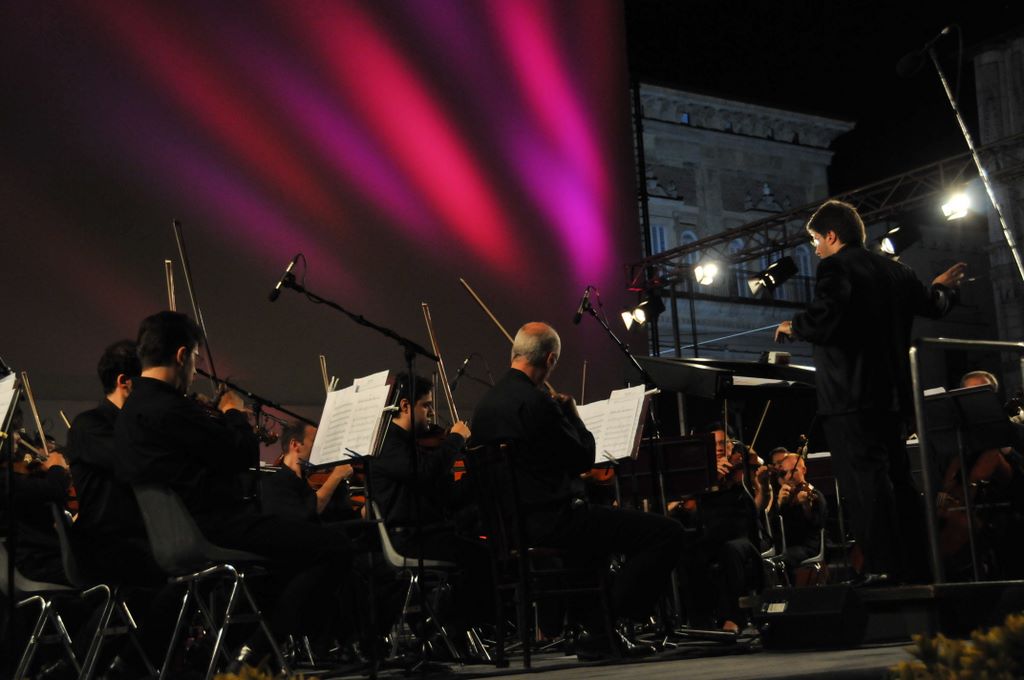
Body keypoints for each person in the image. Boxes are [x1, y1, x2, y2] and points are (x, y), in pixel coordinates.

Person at [114, 311, 352, 667]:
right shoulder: (171, 408)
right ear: (182, 355)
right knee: (336, 546)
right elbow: (241, 454)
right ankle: (255, 653)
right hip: (214, 527)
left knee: (282, 565)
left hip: (172, 535)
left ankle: (238, 654)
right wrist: (232, 412)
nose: (195, 371)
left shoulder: (129, 413)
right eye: (195, 359)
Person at [774, 199, 966, 583]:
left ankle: (882, 571)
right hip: (893, 399)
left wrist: (794, 326)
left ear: (832, 235)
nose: (816, 249)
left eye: (816, 240)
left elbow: (828, 316)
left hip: (850, 399)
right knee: (899, 483)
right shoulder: (898, 271)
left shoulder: (836, 267)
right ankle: (919, 569)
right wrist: (942, 288)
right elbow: (934, 304)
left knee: (866, 487)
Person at [471, 322, 686, 657]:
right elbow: (582, 458)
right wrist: (572, 416)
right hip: (553, 522)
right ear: (550, 359)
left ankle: (600, 634)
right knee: (667, 534)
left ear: (515, 352)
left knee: (593, 546)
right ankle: (611, 619)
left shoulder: (483, 408)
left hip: (511, 528)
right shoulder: (538, 402)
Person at [370, 373, 491, 646]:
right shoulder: (387, 444)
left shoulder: (412, 446)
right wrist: (455, 440)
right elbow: (424, 473)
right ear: (405, 406)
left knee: (485, 554)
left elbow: (448, 498)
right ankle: (445, 631)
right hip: (409, 538)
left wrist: (479, 474)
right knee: (483, 561)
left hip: (428, 534)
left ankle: (442, 630)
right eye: (426, 405)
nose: (431, 413)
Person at [261, 421, 353, 523]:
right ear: (295, 444)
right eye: (314, 442)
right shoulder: (275, 483)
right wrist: (336, 475)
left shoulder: (307, 481)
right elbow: (307, 515)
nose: (319, 448)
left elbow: (340, 519)